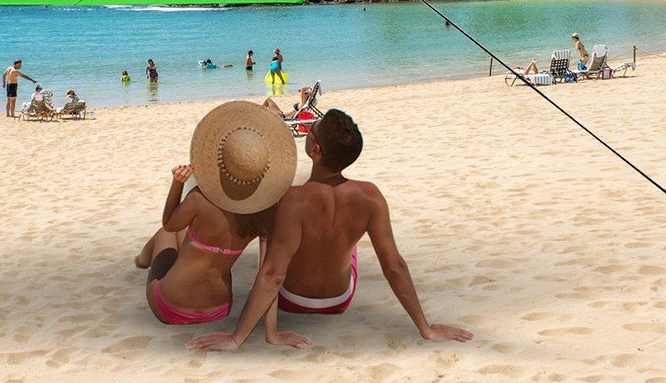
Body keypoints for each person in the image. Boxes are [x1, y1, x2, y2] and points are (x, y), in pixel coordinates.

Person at [188, 108, 473, 352]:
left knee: (274, 237)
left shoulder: (291, 199)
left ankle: (267, 330)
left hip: (292, 299)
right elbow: (394, 266)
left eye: (313, 129)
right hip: (339, 300)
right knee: (345, 240)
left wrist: (238, 338)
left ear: (315, 150)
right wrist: (426, 328)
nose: (310, 128)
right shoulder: (371, 196)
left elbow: (272, 274)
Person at [134, 101, 307, 346]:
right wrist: (272, 334)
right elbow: (268, 275)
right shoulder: (266, 212)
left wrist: (177, 183)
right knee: (188, 236)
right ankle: (143, 259)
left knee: (165, 234)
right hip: (219, 308)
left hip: (170, 306)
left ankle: (140, 261)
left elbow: (169, 222)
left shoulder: (199, 199)